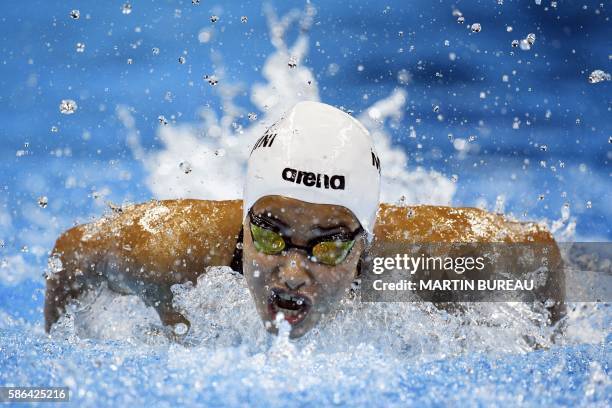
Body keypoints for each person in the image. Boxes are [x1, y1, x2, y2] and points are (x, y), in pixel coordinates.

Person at [44, 101, 565, 339]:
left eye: (329, 244)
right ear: (246, 222)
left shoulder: (427, 260)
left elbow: (539, 254)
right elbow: (71, 252)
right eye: (269, 234)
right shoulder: (162, 251)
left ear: (365, 242)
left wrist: (548, 344)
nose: (292, 272)